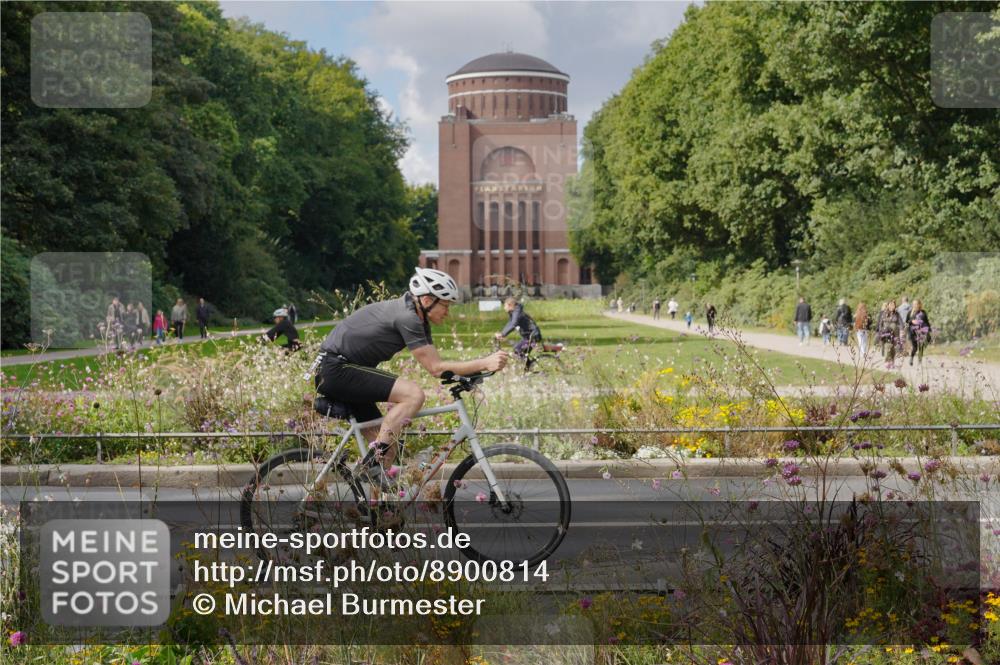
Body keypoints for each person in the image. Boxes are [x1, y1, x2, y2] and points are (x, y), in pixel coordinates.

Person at [314, 268, 508, 486]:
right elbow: (435, 368)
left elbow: (438, 365)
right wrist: (484, 362)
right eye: (445, 305)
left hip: (342, 369)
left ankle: (382, 514)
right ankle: (372, 467)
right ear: (427, 300)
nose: (447, 312)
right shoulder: (408, 317)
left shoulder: (417, 316)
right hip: (336, 369)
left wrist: (471, 374)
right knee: (413, 395)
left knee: (388, 450)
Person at [908, 299, 931, 366]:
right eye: (913, 304)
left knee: (921, 346)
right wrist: (912, 321)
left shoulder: (923, 312)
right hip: (913, 332)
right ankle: (911, 358)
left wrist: (929, 329)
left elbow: (926, 321)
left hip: (922, 332)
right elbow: (907, 322)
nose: (914, 305)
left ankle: (919, 361)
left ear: (919, 305)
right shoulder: (910, 312)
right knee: (915, 347)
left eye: (916, 304)